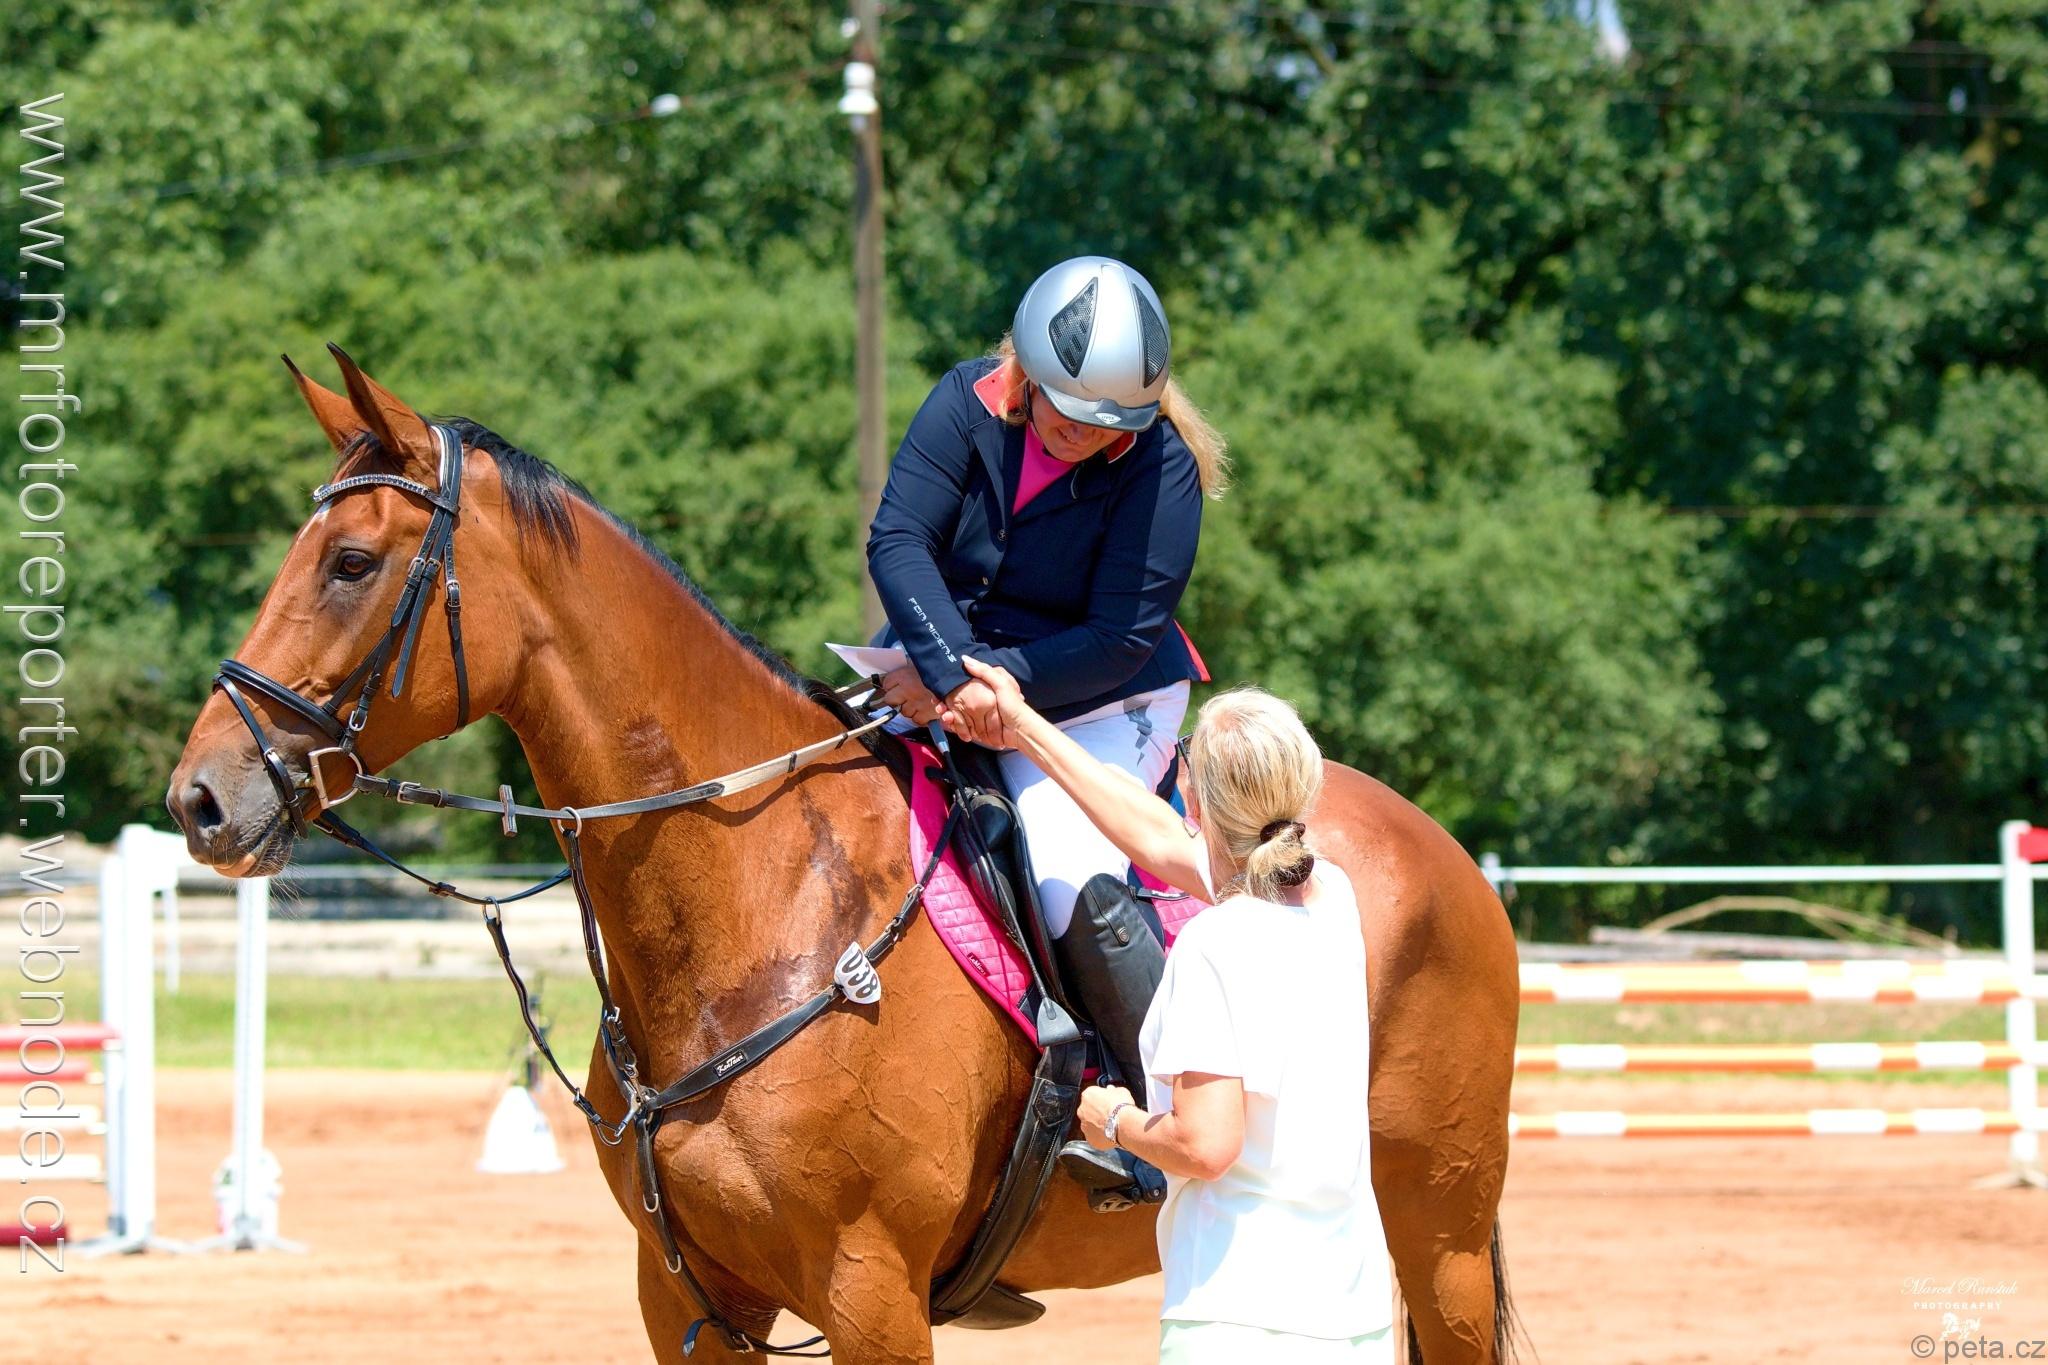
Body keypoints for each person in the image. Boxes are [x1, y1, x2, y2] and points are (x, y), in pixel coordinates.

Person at [865, 256, 1231, 1202]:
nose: (1082, 435)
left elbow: (1117, 637)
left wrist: (986, 689)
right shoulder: (964, 403)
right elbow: (899, 541)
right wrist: (950, 675)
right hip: (952, 666)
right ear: (1025, 370)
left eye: (1108, 424)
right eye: (1067, 412)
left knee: (1065, 868)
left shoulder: (1162, 467)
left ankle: (1155, 1121)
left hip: (1103, 700)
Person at [961, 658, 1395, 1363]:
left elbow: (1205, 1145)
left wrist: (1114, 1119)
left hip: (1239, 1318)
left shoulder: (1215, 943)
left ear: (1197, 800)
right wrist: (1022, 726)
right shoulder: (1334, 897)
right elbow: (1155, 837)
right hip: (1353, 1309)